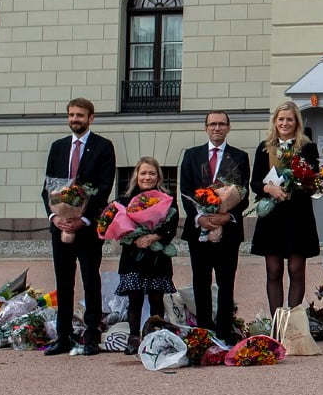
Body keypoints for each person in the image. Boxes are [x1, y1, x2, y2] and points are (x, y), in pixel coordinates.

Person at [42, 98, 116, 356]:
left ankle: (91, 335)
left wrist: (82, 219)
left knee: (90, 279)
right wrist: (56, 218)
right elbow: (48, 188)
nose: (75, 119)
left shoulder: (103, 147)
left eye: (80, 115)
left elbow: (104, 188)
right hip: (60, 227)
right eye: (72, 115)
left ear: (91, 118)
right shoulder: (58, 147)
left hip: (87, 228)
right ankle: (63, 337)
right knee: (63, 282)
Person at [178, 110, 250, 343]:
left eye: (221, 124)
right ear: (205, 128)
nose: (217, 128)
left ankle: (224, 330)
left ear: (228, 128)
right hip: (198, 229)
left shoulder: (239, 156)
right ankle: (204, 331)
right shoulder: (191, 155)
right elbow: (185, 191)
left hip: (227, 230)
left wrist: (226, 216)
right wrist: (200, 218)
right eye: (212, 124)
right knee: (201, 281)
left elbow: (243, 194)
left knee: (226, 281)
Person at [249, 101, 322, 313]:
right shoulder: (264, 148)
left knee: (296, 269)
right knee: (273, 270)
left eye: (289, 119)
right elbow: (255, 182)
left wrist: (297, 184)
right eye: (281, 119)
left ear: (296, 122)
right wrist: (268, 189)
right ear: (275, 122)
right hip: (272, 218)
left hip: (298, 216)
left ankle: (294, 323)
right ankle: (277, 323)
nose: (285, 123)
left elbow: (313, 182)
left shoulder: (308, 148)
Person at [113, 157, 178, 355]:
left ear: (158, 176)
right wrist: (135, 239)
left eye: (151, 173)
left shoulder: (167, 199)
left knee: (157, 299)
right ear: (136, 176)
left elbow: (172, 225)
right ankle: (134, 337)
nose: (147, 177)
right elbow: (117, 227)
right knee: (135, 300)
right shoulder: (125, 200)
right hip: (133, 257)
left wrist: (154, 236)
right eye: (143, 173)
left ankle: (155, 336)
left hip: (157, 257)